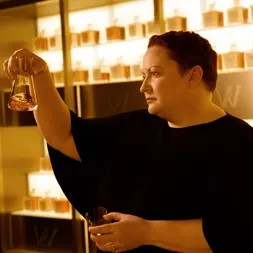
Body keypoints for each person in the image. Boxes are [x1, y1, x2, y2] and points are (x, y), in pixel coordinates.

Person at [3, 31, 253, 253]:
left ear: (193, 75)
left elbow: (236, 232)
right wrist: (40, 74)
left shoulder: (240, 142)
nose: (143, 87)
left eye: (154, 74)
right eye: (143, 76)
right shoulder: (135, 126)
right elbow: (64, 135)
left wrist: (146, 232)